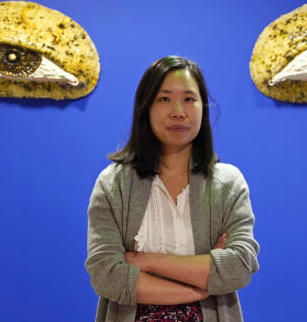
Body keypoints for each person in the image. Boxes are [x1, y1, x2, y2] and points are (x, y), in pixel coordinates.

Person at [86, 56, 259, 322]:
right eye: (164, 99)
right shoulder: (113, 185)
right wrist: (202, 285)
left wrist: (143, 261)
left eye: (189, 99)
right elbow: (106, 274)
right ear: (146, 108)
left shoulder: (228, 184)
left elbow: (238, 267)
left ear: (203, 107)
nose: (178, 111)